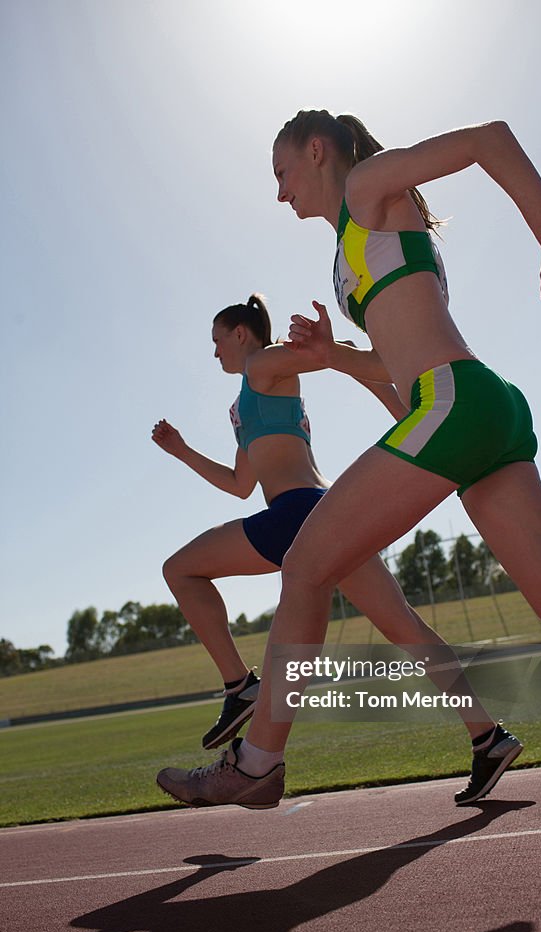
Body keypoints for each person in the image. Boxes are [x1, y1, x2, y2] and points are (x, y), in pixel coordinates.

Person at [160, 111, 541, 812]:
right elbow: (394, 363)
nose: (279, 193)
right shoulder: (354, 243)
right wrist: (332, 358)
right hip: (476, 408)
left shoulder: (365, 187)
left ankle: (256, 762)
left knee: (308, 563)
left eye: (281, 173)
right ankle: (261, 761)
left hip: (454, 401)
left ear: (317, 152)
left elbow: (487, 138)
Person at [156, 293, 516, 804]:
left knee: (181, 570)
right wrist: (183, 451)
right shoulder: (244, 400)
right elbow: (240, 484)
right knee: (405, 628)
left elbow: (334, 353)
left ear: (240, 334)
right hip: (321, 513)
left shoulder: (262, 364)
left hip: (296, 513)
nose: (214, 352)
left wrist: (402, 406)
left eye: (217, 340)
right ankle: (489, 737)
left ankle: (240, 686)